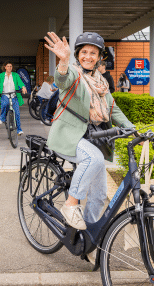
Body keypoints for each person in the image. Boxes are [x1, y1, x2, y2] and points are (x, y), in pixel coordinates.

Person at [44, 31, 135, 235]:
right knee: (94, 158)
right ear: (78, 54)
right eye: (84, 52)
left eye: (93, 53)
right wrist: (64, 60)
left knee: (100, 195)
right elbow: (61, 80)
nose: (88, 56)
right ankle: (70, 204)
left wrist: (133, 129)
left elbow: (113, 108)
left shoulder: (101, 82)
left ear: (99, 57)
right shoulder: (74, 74)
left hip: (92, 138)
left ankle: (89, 236)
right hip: (69, 137)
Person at [0, 61, 27, 135]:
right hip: (4, 94)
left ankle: (19, 129)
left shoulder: (15, 75)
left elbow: (20, 82)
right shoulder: (1, 76)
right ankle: (2, 117)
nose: (9, 68)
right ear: (5, 67)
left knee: (17, 112)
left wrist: (23, 87)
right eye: (8, 66)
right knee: (5, 104)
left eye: (10, 66)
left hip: (14, 95)